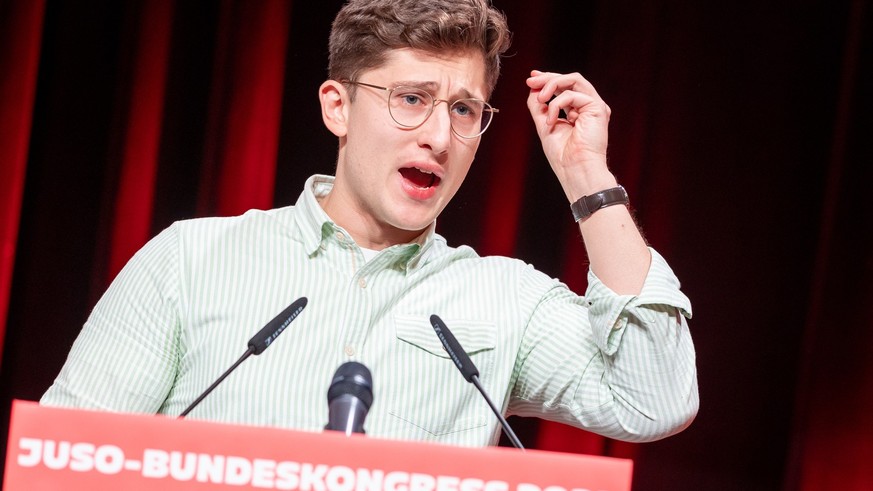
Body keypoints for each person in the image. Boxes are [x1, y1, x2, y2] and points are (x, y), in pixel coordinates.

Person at [41, 0, 697, 447]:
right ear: (338, 107)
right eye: (412, 100)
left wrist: (588, 179)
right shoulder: (191, 259)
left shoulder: (504, 299)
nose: (439, 136)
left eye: (465, 111)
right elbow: (63, 462)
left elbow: (653, 398)